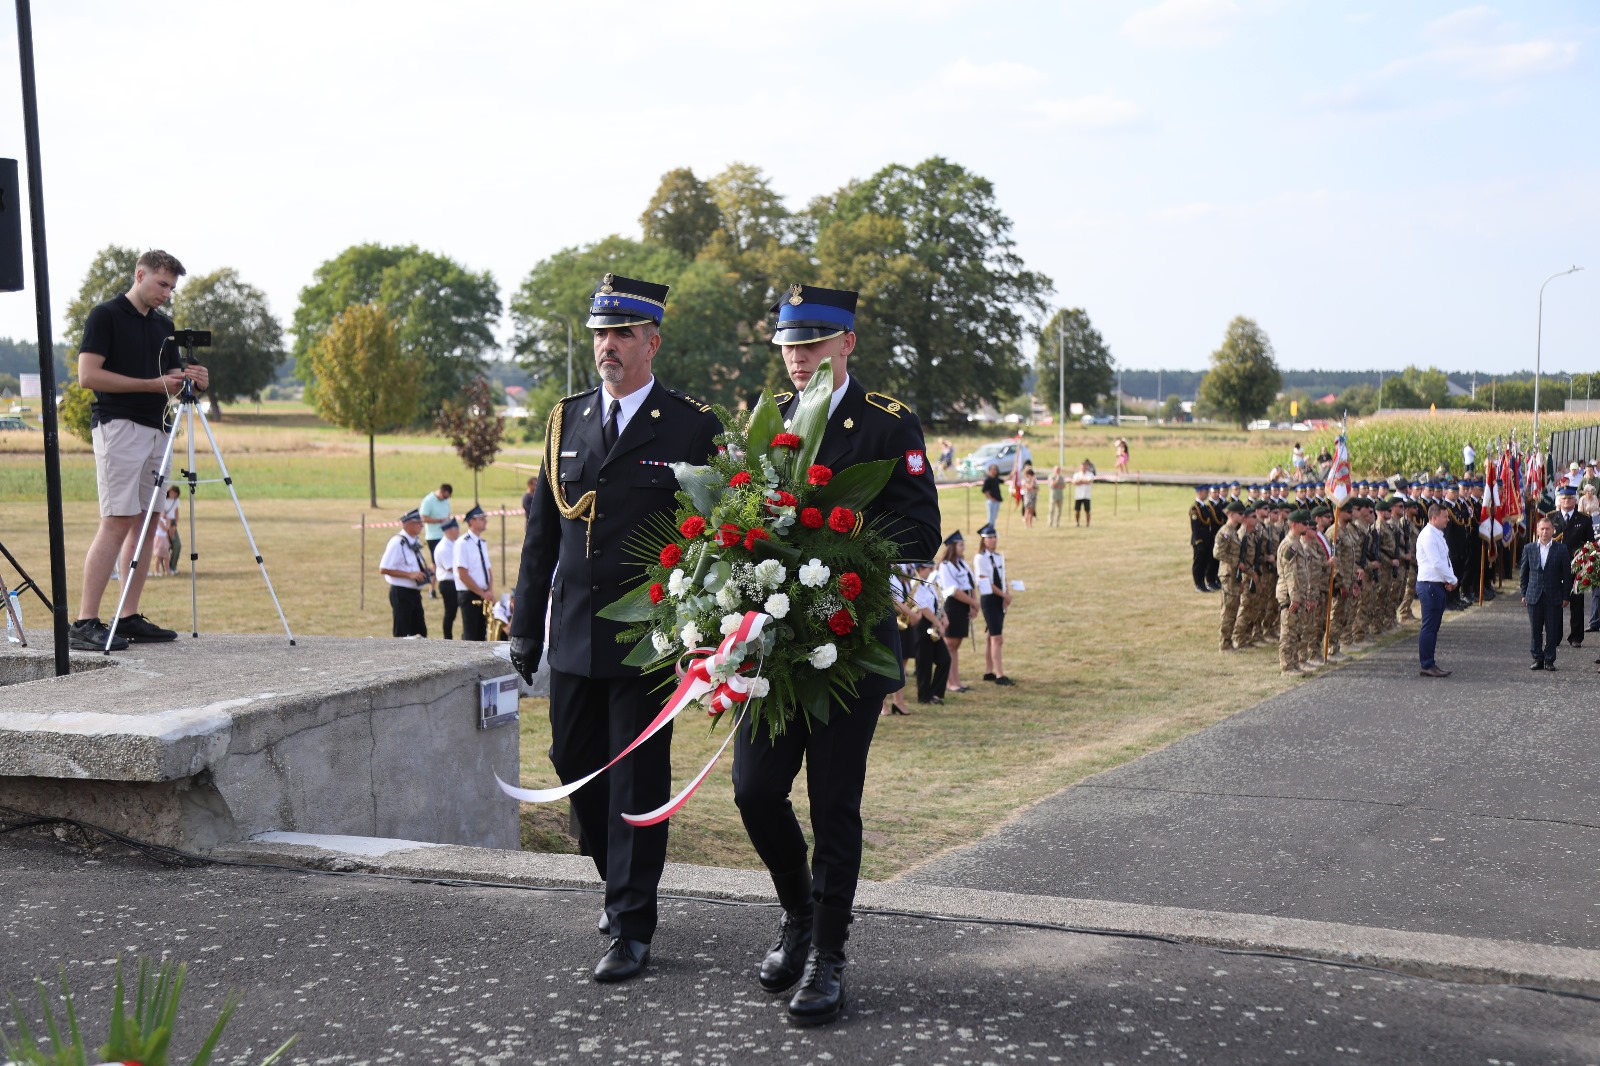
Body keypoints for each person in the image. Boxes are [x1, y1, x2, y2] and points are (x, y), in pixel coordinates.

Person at [731, 283, 939, 1026]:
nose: (797, 358)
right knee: (754, 791)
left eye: (812, 344)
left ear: (847, 343)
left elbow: (921, 530)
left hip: (850, 646)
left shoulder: (886, 423)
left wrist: (839, 539)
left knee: (833, 805)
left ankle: (828, 957)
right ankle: (796, 910)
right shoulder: (771, 423)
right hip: (778, 649)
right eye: (788, 346)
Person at [509, 273, 721, 985]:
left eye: (623, 333)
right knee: (572, 761)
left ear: (651, 342)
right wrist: (522, 626)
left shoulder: (691, 426)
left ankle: (632, 925)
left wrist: (702, 628)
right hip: (572, 628)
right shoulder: (565, 419)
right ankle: (616, 883)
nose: (608, 345)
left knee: (637, 780)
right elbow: (542, 535)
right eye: (601, 332)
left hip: (648, 636)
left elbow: (715, 544)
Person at [69, 250, 206, 652]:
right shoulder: (105, 315)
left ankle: (127, 616)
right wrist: (152, 384)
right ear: (141, 274)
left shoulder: (164, 326)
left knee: (147, 521)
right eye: (161, 284)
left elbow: (173, 384)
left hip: (158, 430)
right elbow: (87, 375)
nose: (166, 293)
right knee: (117, 519)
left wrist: (197, 382)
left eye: (172, 287)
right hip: (118, 426)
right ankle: (83, 622)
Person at [1520, 515, 1571, 670]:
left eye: (1548, 529)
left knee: (1552, 630)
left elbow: (1567, 575)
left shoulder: (1561, 549)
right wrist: (1524, 593)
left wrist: (1565, 596)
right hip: (1534, 595)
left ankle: (1549, 659)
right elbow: (1524, 573)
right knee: (1535, 630)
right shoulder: (1528, 548)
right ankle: (1537, 658)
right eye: (1542, 529)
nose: (1545, 532)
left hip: (1553, 596)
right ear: (1537, 530)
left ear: (1553, 531)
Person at [1416, 502, 1458, 677]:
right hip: (1429, 585)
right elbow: (1436, 563)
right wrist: (1452, 580)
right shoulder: (1428, 536)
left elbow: (1444, 561)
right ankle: (1427, 664)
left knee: (1434, 627)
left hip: (1436, 584)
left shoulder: (1437, 534)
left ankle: (1430, 662)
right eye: (1444, 516)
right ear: (1434, 518)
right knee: (1429, 627)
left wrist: (1448, 579)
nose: (1448, 519)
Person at [1548, 486, 1592, 649]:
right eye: (1564, 498)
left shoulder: (1584, 519)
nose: (1567, 501)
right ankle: (1555, 635)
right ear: (1559, 500)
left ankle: (1576, 637)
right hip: (1556, 566)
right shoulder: (1551, 517)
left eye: (1570, 498)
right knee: (1555, 602)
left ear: (1575, 500)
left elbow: (1590, 545)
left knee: (1577, 602)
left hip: (1576, 566)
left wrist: (1586, 565)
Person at [937, 531, 978, 693]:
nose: (963, 547)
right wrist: (973, 602)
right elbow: (953, 590)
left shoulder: (962, 564)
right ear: (953, 547)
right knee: (950, 644)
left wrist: (973, 604)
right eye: (961, 545)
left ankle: (956, 680)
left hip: (964, 605)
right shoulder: (945, 566)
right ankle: (949, 681)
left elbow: (970, 584)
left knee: (956, 644)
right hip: (952, 606)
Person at [379, 510, 431, 638]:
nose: (422, 526)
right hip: (402, 593)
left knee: (420, 633)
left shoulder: (413, 541)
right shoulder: (397, 542)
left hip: (414, 593)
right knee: (402, 633)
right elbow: (384, 568)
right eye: (418, 523)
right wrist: (409, 575)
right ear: (408, 524)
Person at [973, 523, 1014, 684]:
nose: (993, 540)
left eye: (994, 536)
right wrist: (1003, 594)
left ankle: (988, 671)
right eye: (989, 537)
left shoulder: (998, 556)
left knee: (992, 635)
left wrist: (1006, 594)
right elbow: (986, 581)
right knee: (997, 638)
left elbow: (1002, 577)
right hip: (989, 598)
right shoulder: (980, 558)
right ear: (983, 540)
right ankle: (999, 674)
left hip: (999, 598)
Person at [910, 560, 949, 704]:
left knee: (944, 659)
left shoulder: (929, 584)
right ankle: (924, 696)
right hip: (924, 625)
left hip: (934, 622)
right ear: (919, 569)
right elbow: (924, 608)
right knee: (924, 663)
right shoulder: (917, 585)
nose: (930, 571)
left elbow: (938, 602)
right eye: (927, 568)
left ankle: (936, 693)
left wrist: (944, 616)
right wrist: (939, 624)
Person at [454, 505, 493, 641]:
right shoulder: (462, 543)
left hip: (483, 594)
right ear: (471, 521)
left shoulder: (482, 543)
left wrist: (489, 590)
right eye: (481, 518)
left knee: (481, 636)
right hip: (470, 595)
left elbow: (488, 569)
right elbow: (462, 574)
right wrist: (483, 593)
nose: (485, 521)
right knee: (471, 636)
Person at [434, 517, 461, 639]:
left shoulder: (454, 543)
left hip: (456, 582)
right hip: (448, 583)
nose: (458, 531)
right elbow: (452, 568)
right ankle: (447, 638)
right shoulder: (443, 547)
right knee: (450, 613)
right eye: (456, 529)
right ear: (448, 530)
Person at [418, 484, 453, 565]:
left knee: (447, 562)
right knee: (436, 564)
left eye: (447, 497)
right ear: (441, 492)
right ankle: (429, 578)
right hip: (434, 536)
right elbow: (423, 518)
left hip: (446, 536)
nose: (446, 499)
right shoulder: (428, 501)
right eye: (444, 497)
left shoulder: (446, 501)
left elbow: (447, 514)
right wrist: (440, 520)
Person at [161, 485, 182, 577]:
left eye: (175, 493)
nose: (173, 494)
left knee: (177, 545)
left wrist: (175, 524)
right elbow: (162, 514)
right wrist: (167, 526)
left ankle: (173, 566)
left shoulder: (176, 501)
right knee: (165, 546)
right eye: (171, 492)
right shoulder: (163, 500)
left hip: (172, 522)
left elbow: (177, 512)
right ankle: (165, 568)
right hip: (164, 522)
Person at [1071, 459, 1094, 527]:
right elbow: (1074, 482)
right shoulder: (1076, 474)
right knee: (1077, 510)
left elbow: (1089, 481)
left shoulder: (1090, 474)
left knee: (1087, 510)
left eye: (1085, 466)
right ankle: (1077, 523)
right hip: (1078, 495)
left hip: (1087, 495)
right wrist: (1083, 481)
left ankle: (1088, 523)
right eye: (1082, 466)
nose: (1083, 468)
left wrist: (1080, 481)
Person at [981, 463, 1002, 528]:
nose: (995, 471)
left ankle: (992, 529)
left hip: (997, 500)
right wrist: (990, 498)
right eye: (994, 469)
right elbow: (984, 490)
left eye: (996, 470)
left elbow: (1004, 480)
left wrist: (1012, 473)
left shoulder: (995, 478)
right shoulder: (988, 479)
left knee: (994, 517)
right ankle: (989, 531)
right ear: (990, 470)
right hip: (991, 501)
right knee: (990, 518)